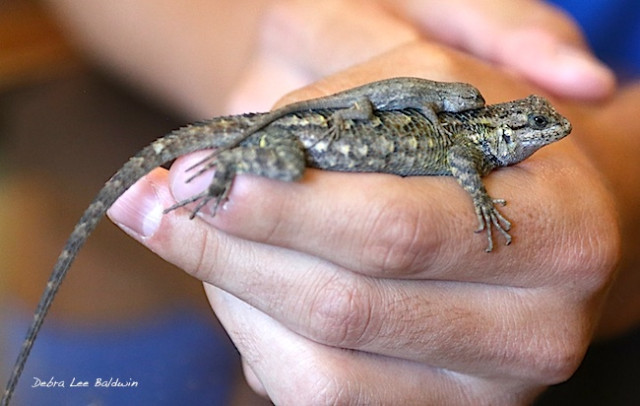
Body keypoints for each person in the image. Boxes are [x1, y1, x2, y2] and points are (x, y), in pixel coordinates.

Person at [26, 0, 640, 403]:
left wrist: (618, 167)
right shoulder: (471, 146)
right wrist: (262, 54)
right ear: (506, 132)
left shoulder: (474, 140)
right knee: (282, 172)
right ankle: (229, 167)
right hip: (273, 140)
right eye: (532, 129)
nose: (544, 134)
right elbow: (459, 161)